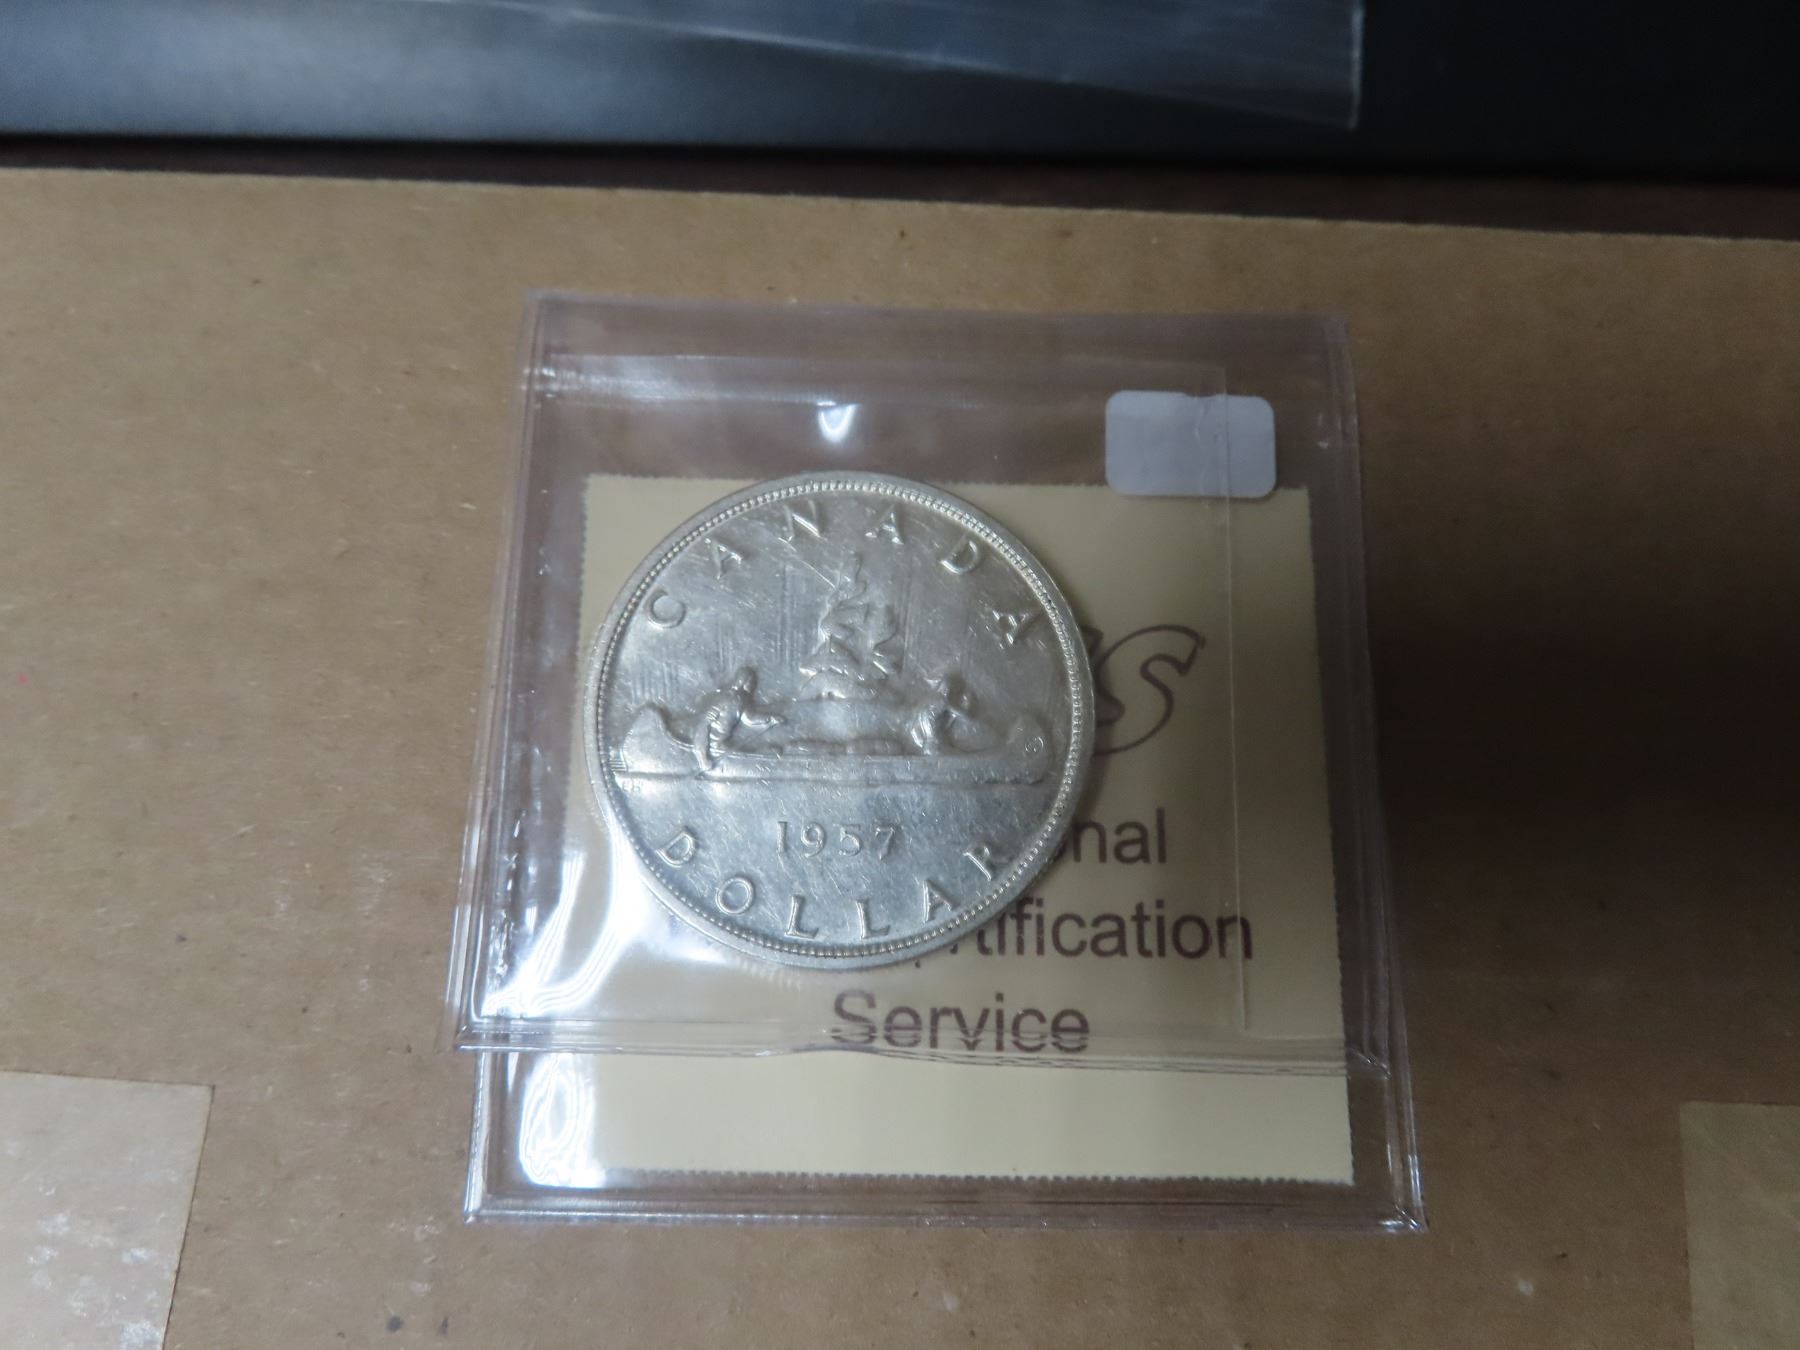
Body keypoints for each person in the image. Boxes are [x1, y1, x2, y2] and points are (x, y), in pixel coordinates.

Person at [692, 667, 783, 772]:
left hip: (722, 742)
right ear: (742, 681)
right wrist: (702, 757)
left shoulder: (741, 699)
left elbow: (749, 718)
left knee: (744, 751)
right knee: (745, 754)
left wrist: (770, 719)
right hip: (714, 744)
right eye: (750, 681)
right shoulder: (726, 699)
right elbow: (704, 723)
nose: (752, 685)